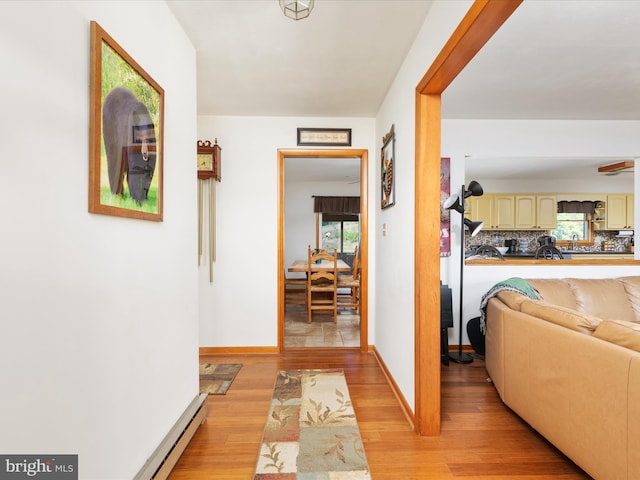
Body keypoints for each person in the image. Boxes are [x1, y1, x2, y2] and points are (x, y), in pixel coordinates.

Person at [102, 86, 157, 204]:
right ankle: (117, 191)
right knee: (114, 158)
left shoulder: (140, 117)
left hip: (134, 131)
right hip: (117, 119)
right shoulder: (117, 108)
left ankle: (138, 195)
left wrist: (144, 143)